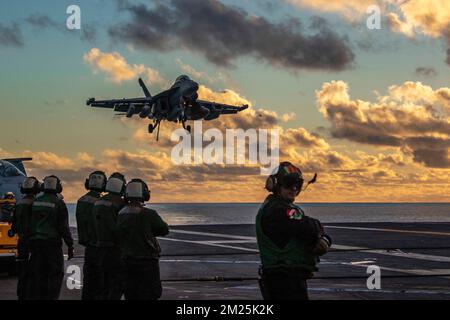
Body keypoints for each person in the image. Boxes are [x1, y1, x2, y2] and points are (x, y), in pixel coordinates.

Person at [256, 162, 332, 300]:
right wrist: (323, 235)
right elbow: (309, 228)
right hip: (284, 281)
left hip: (286, 279)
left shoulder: (275, 207)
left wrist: (321, 236)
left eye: (298, 184)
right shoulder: (278, 211)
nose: (294, 188)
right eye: (288, 183)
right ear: (275, 184)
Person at [117, 179, 169, 300]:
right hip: (147, 262)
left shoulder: (121, 214)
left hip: (127, 261)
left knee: (131, 294)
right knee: (151, 293)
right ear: (144, 194)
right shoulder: (149, 214)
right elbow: (164, 229)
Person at [28, 175, 74, 300]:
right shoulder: (58, 203)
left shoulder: (35, 202)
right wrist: (70, 245)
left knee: (38, 274)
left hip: (36, 243)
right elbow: (64, 227)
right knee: (55, 274)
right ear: (58, 187)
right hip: (52, 244)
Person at [93, 172, 126, 300]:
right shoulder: (120, 203)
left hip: (100, 247)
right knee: (117, 284)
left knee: (104, 284)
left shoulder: (99, 201)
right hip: (115, 249)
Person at [75, 171, 107, 300]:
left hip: (88, 246)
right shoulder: (102, 202)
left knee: (89, 281)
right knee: (102, 283)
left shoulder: (81, 200)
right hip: (101, 246)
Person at [11, 177, 41, 300]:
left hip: (22, 241)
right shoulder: (37, 204)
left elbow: (14, 226)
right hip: (35, 242)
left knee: (22, 273)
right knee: (35, 272)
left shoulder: (18, 203)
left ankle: (22, 295)